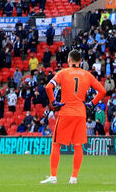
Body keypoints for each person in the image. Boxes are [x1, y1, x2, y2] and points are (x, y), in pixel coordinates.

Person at [40, 50, 105, 185]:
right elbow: (102, 91)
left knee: (56, 144)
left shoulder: (63, 73)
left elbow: (48, 87)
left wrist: (53, 102)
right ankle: (74, 178)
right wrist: (91, 104)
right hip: (81, 113)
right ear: (80, 61)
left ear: (69, 60)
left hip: (66, 112)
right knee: (78, 145)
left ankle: (53, 177)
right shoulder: (87, 75)